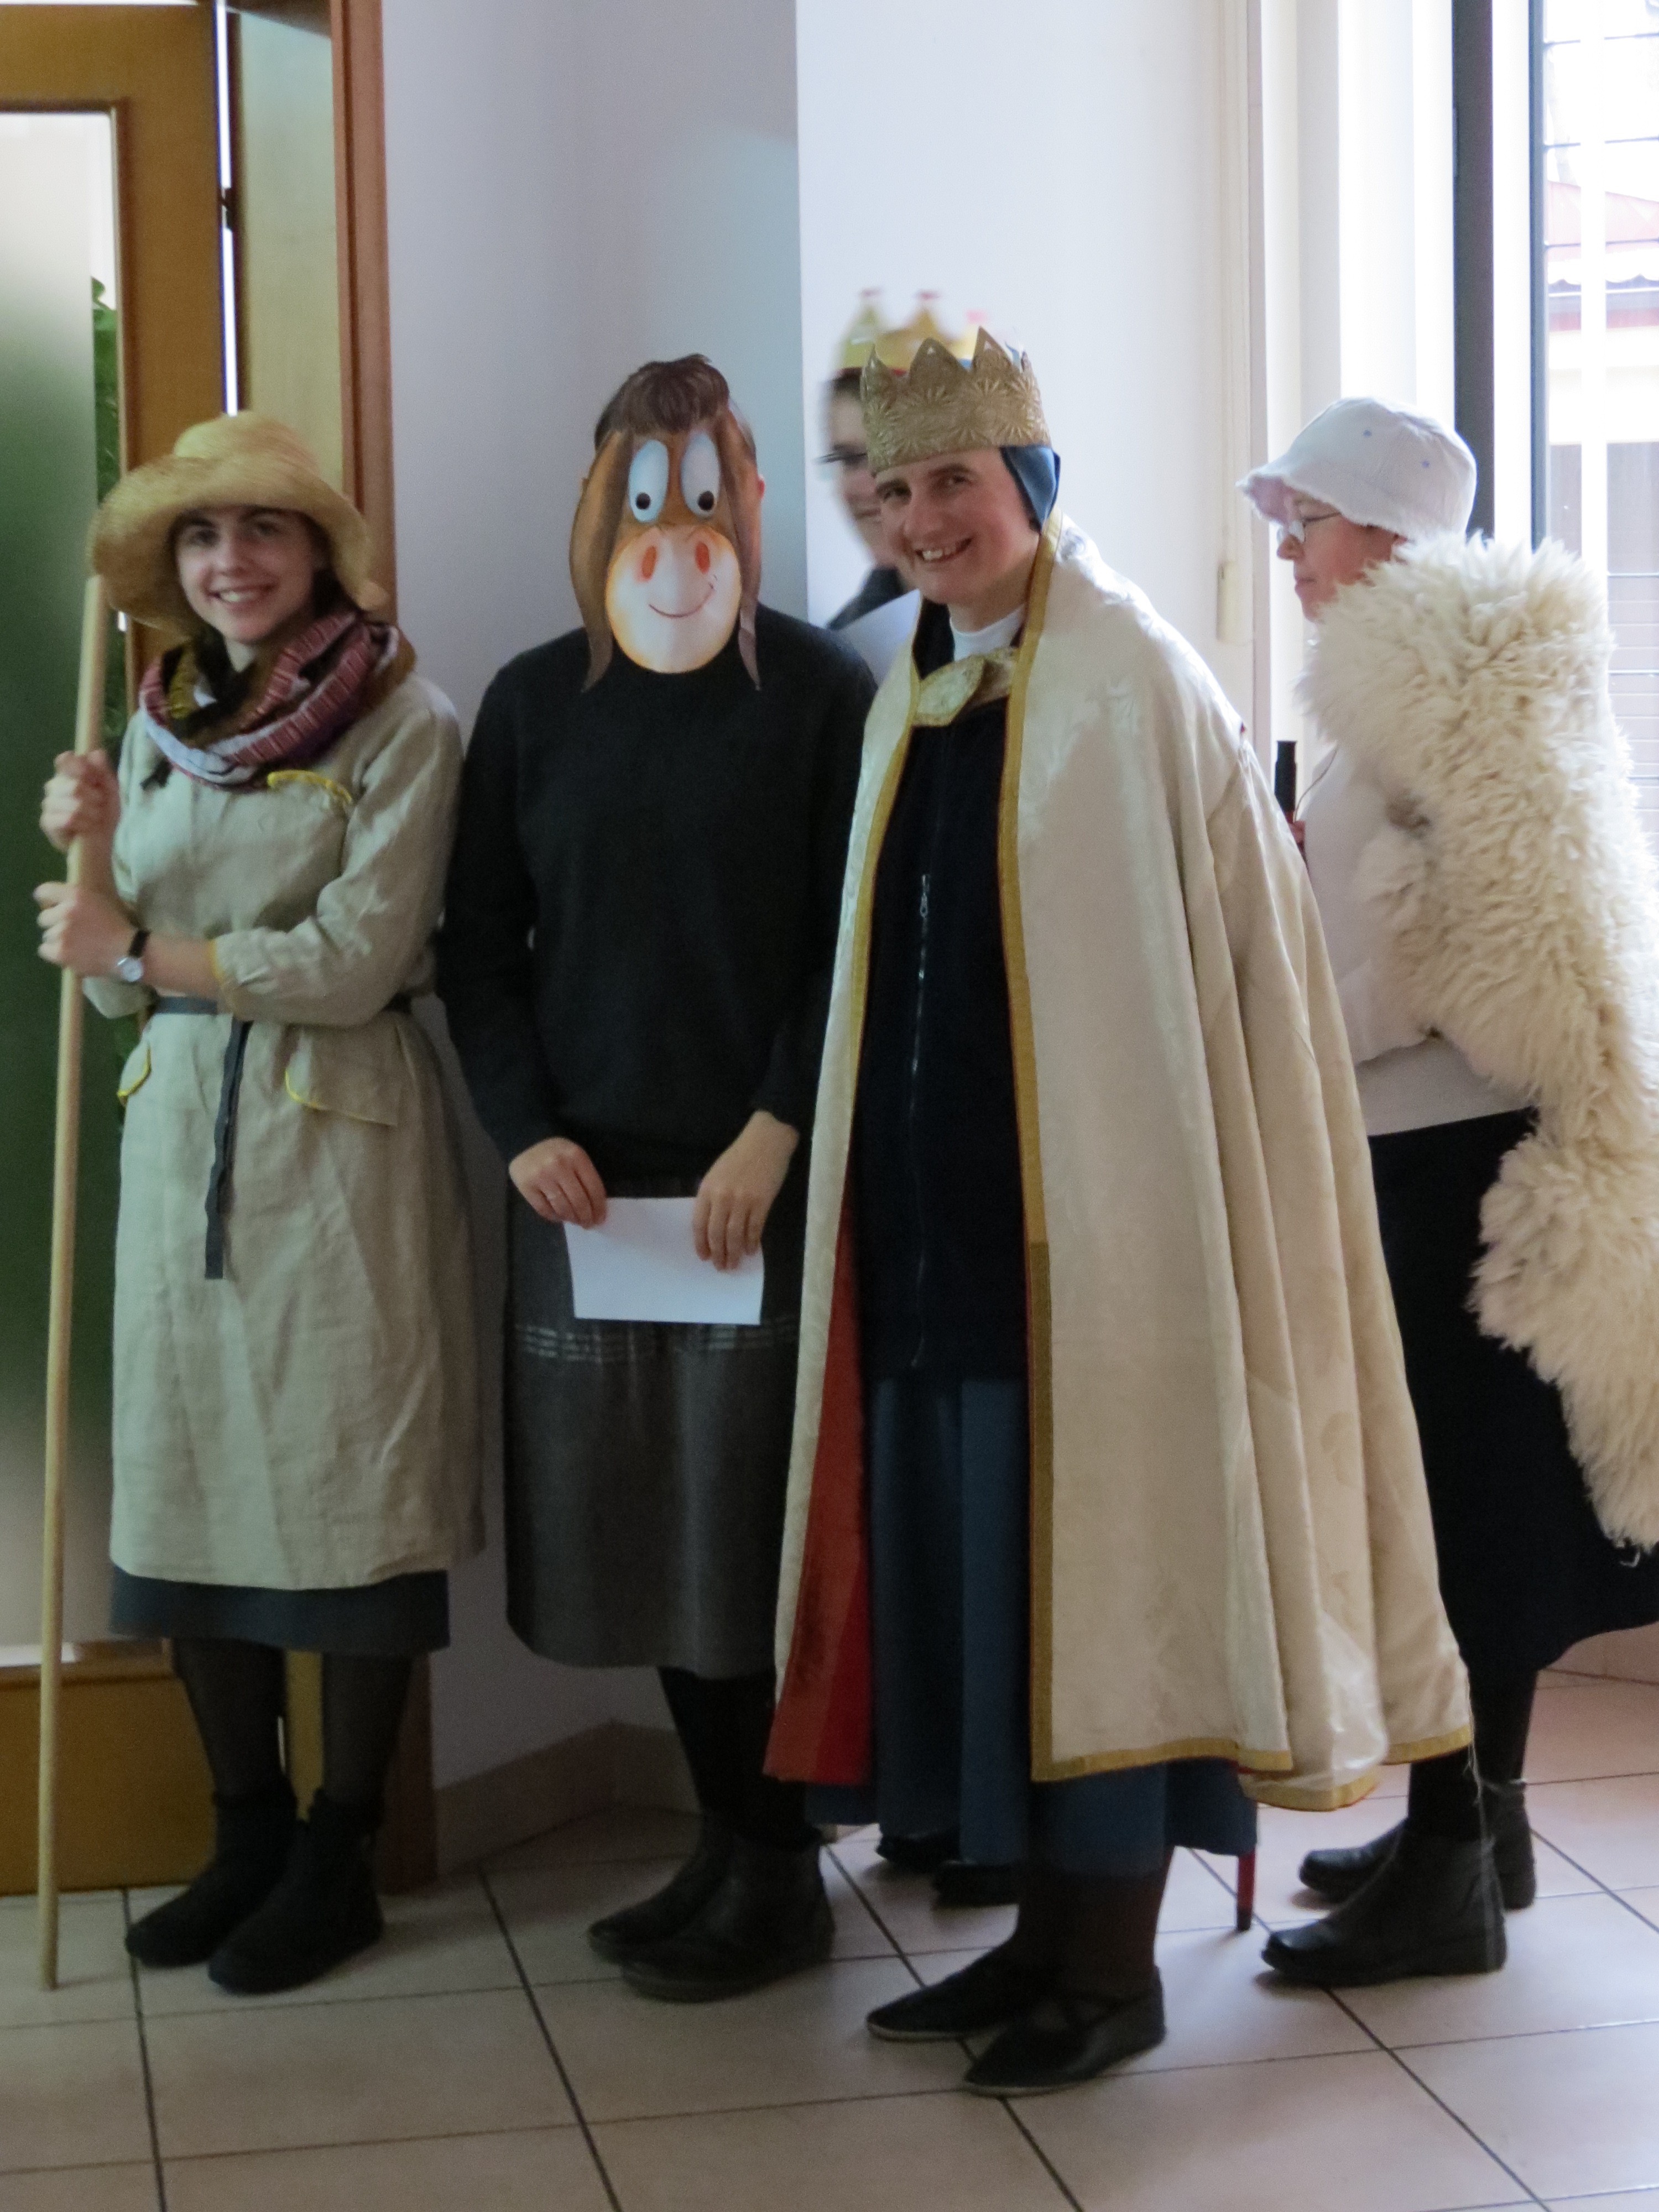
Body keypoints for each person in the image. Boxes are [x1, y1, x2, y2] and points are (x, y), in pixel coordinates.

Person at [765, 330, 1478, 2098]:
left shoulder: (1130, 680)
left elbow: (1223, 991)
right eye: (897, 489)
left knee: (1108, 1588)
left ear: (1031, 483)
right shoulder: (919, 684)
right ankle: (1030, 1942)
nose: (923, 520)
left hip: (1102, 1253)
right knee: (985, 1600)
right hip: (935, 1240)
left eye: (956, 482)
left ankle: (1109, 1969)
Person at [437, 355, 872, 2004]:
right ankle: (724, 1841)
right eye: (645, 493)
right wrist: (521, 1126)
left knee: (745, 1535)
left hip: (755, 1185)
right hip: (584, 1190)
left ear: (745, 501)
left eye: (707, 492)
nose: (676, 530)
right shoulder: (534, 705)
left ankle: (780, 1867)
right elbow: (480, 947)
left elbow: (850, 939)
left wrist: (777, 1125)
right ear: (599, 504)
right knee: (638, 1530)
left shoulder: (823, 695)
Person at [34, 413, 480, 1995]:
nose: (232, 561)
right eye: (204, 535)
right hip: (178, 1151)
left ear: (319, 553)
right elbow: (111, 996)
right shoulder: (156, 726)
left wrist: (143, 952)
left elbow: (359, 962)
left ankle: (339, 1855)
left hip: (337, 1143)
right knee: (189, 1482)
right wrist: (94, 864)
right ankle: (245, 1836)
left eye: (263, 530)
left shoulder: (402, 718)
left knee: (353, 1489)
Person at [1241, 397, 1659, 1986]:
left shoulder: (1451, 686)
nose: (1291, 554)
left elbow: (1477, 954)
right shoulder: (1421, 685)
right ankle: (1478, 1827)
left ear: (1386, 533)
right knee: (1461, 1501)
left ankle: (1448, 1868)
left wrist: (1297, 1024)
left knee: (1460, 1513)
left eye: (1309, 525)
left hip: (1454, 1164)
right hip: (1427, 1153)